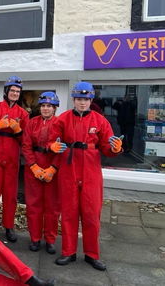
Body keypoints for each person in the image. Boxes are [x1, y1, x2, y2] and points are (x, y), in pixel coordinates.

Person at [48, 82, 123, 271]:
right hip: (68, 168)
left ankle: (92, 254)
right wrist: (53, 146)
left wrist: (115, 149)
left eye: (86, 99)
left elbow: (107, 146)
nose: (83, 103)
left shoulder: (100, 121)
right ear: (73, 100)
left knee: (91, 214)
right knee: (69, 212)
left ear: (91, 100)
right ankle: (68, 252)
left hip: (91, 170)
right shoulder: (62, 119)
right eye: (79, 99)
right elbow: (52, 139)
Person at [0, 76, 29, 242]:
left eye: (18, 91)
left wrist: (17, 131)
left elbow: (26, 140)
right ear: (6, 91)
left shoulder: (23, 114)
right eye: (13, 90)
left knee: (10, 195)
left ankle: (9, 227)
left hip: (12, 158)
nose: (15, 93)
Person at [22, 92, 61, 254]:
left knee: (52, 208)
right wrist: (33, 166)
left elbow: (64, 150)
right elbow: (26, 146)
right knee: (33, 206)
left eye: (49, 106)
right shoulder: (32, 123)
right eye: (43, 106)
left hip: (53, 170)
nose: (46, 109)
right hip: (34, 169)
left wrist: (53, 168)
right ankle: (35, 238)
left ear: (54, 108)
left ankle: (50, 240)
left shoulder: (60, 124)